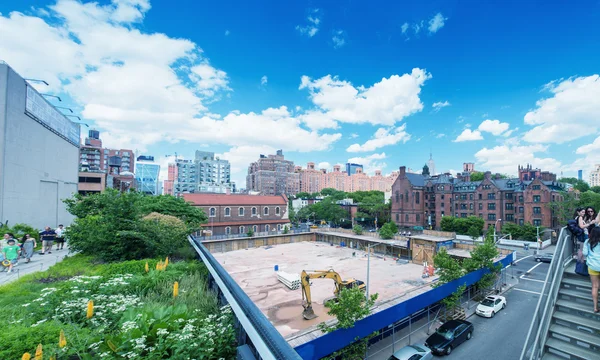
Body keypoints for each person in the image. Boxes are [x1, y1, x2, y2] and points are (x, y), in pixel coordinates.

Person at [583, 227, 600, 313]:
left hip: (593, 267)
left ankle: (595, 307)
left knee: (595, 286)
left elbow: (585, 253)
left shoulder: (588, 242)